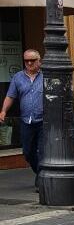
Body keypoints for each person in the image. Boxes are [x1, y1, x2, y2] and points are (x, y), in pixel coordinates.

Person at [0, 50, 43, 190]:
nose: (29, 63)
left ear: (39, 61)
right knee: (27, 151)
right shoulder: (18, 77)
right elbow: (10, 96)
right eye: (26, 61)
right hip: (26, 120)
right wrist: (3, 110)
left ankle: (41, 178)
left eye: (32, 60)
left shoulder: (46, 76)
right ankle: (41, 172)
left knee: (42, 151)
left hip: (44, 120)